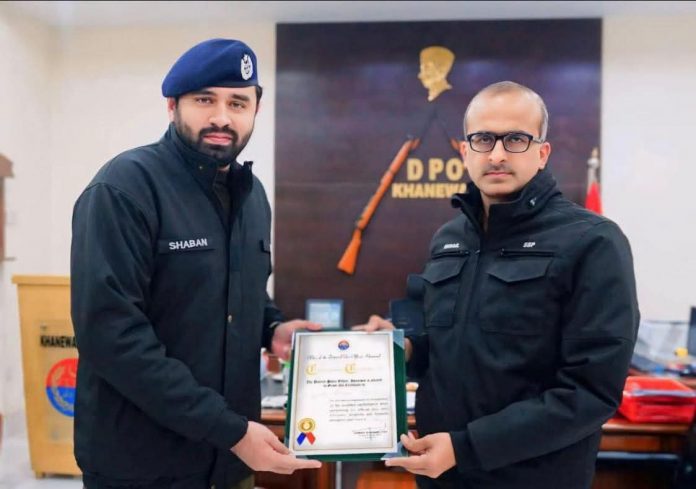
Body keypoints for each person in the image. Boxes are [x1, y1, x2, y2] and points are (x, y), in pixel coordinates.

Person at [356, 81, 639, 489]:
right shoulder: (449, 239)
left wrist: (465, 448)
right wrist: (402, 349)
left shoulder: (593, 241)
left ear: (542, 152)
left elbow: (591, 392)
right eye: (483, 139)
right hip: (439, 476)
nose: (497, 154)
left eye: (516, 139)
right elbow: (445, 348)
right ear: (465, 151)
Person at [70, 38, 321, 489]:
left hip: (230, 462)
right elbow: (111, 335)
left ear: (256, 110)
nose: (222, 117)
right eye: (205, 100)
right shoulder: (124, 188)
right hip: (141, 465)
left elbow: (233, 292)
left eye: (238, 103)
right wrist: (229, 429)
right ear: (172, 106)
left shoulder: (252, 196)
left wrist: (272, 328)